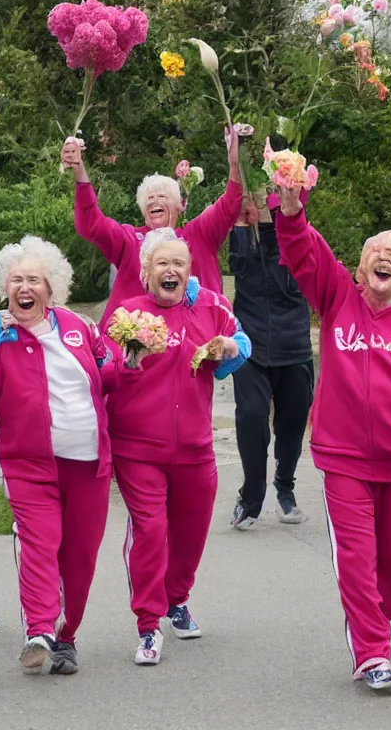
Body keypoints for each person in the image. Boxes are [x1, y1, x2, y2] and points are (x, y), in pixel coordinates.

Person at [273, 185, 391, 693]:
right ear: (359, 271)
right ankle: (371, 652)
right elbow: (303, 252)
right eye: (373, 256)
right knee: (356, 560)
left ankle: (375, 625)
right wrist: (291, 210)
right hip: (345, 459)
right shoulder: (337, 297)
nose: (382, 261)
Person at [0, 236, 114, 676]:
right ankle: (39, 630)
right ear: (6, 288)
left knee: (80, 559)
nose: (25, 287)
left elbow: (108, 372)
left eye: (35, 280)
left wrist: (130, 358)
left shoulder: (79, 326)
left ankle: (67, 637)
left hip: (88, 465)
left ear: (51, 287)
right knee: (41, 545)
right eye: (17, 280)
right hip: (29, 466)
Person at [107, 228, 250, 666]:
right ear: (146, 273)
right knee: (151, 533)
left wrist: (229, 347)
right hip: (138, 447)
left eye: (179, 264)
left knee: (190, 533)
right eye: (162, 264)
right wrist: (129, 361)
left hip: (194, 447)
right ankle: (148, 625)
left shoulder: (211, 305)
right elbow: (104, 371)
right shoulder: (128, 313)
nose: (171, 271)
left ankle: (177, 600)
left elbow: (241, 346)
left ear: (189, 271)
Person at [61, 127, 243, 329]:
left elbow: (229, 205)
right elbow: (91, 223)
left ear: (181, 205)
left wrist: (234, 164)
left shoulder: (199, 233)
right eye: (149, 198)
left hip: (197, 344)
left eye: (163, 196)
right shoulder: (129, 238)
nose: (154, 201)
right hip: (134, 346)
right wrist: (80, 172)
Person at [228, 190, 314, 529]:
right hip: (251, 347)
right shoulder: (243, 237)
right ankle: (251, 498)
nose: (259, 204)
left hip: (294, 347)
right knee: (251, 419)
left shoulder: (295, 238)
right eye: (254, 199)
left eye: (265, 198)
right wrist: (244, 217)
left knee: (291, 426)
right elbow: (236, 262)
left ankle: (285, 486)